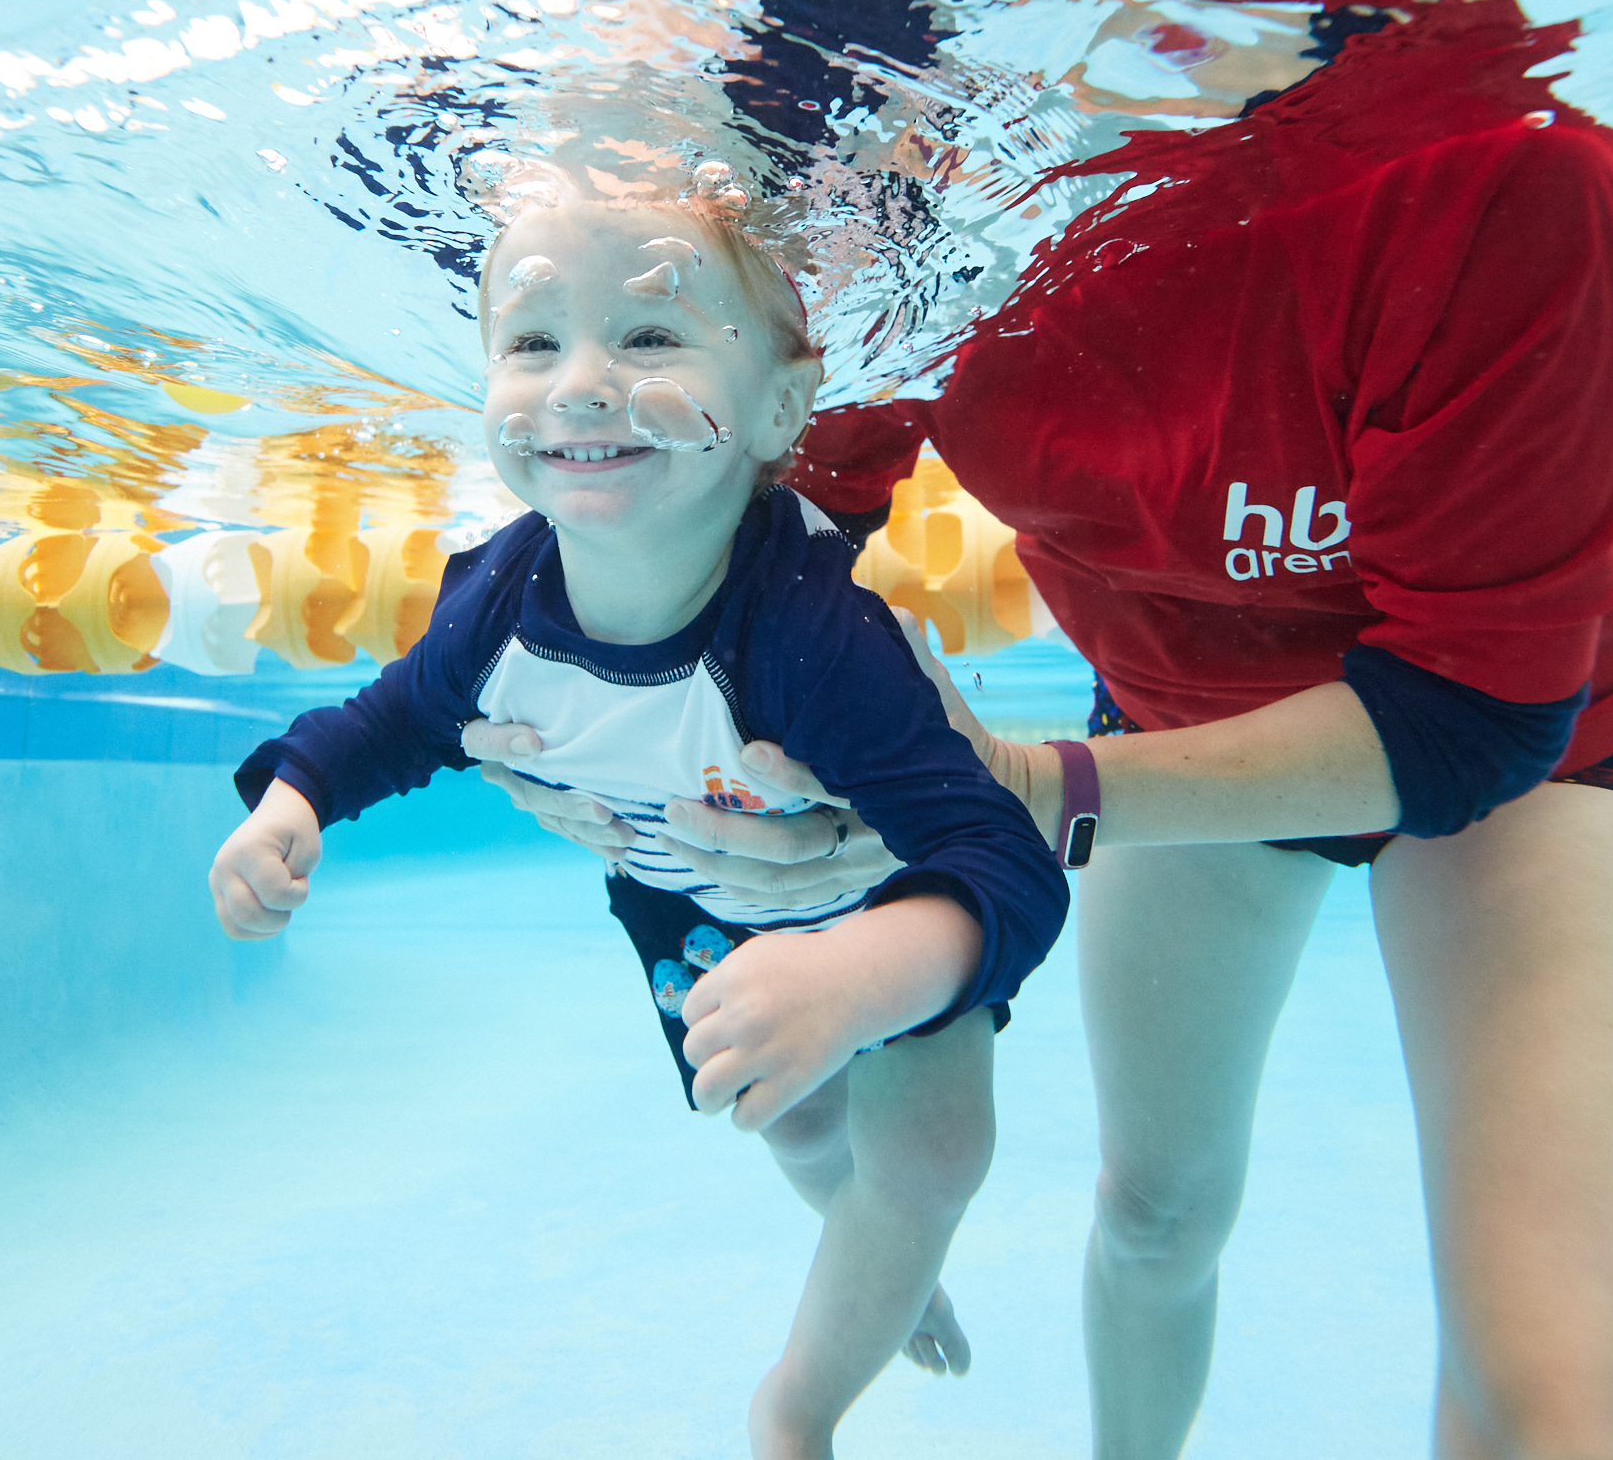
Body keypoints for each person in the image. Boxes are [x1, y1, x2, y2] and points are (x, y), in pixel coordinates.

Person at [481, 0, 1613, 1456]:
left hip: (1544, 739)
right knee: (1157, 1211)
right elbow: (748, 545)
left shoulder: (1491, 173)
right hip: (1179, 717)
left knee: (1553, 1389)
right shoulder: (935, 222)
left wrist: (1020, 782)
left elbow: (1467, 722)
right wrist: (589, 722)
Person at [207, 178, 1068, 1460]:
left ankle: (798, 1404)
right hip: (691, 904)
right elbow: (389, 721)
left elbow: (1000, 853)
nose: (582, 382)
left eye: (652, 334)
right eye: (534, 340)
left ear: (779, 405)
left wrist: (857, 974)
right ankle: (882, 1264)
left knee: (936, 1153)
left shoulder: (812, 633)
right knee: (796, 1119)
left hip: (882, 913)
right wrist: (289, 803)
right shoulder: (493, 614)